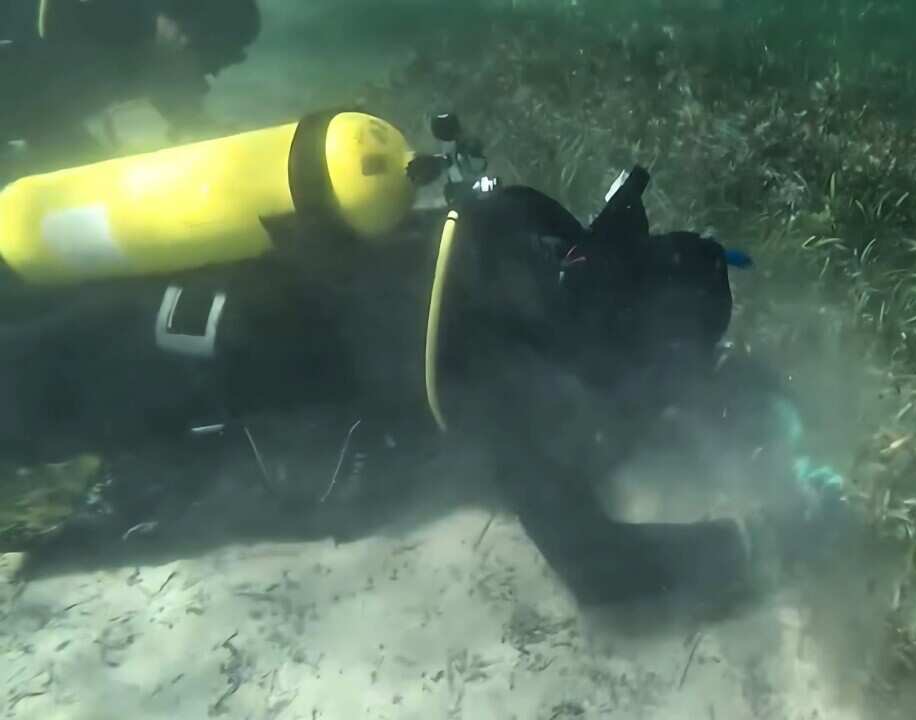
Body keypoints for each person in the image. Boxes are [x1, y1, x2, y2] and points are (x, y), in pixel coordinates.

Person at [0, 149, 845, 612]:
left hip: (163, 302)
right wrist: (769, 542)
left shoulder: (517, 229)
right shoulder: (508, 383)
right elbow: (609, 578)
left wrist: (742, 397)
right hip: (148, 375)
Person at [0, 0, 261, 176]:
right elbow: (39, 113)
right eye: (210, 61)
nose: (209, 74)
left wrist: (195, 124)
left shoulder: (143, 43)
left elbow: (169, 81)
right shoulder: (123, 28)